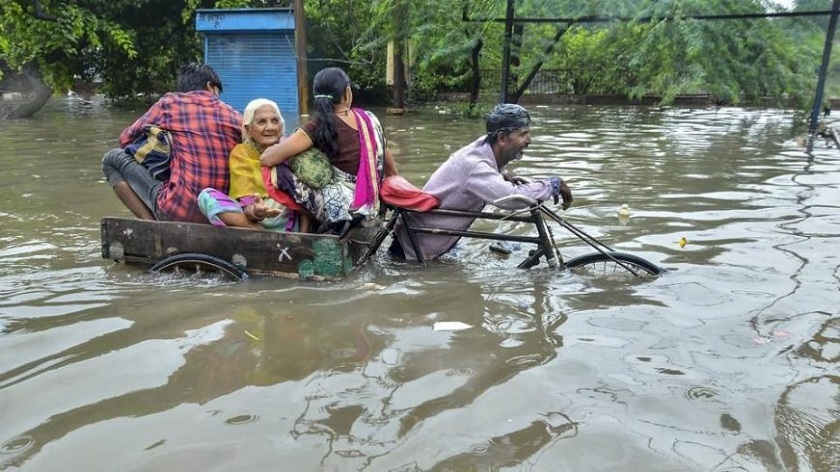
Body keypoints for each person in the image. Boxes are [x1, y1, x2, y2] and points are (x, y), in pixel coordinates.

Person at [391, 103, 573, 262]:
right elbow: (511, 199)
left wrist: (500, 175)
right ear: (502, 138)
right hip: (415, 249)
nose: (529, 141)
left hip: (431, 240)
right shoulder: (475, 164)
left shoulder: (484, 149)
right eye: (523, 134)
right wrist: (552, 185)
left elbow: (486, 174)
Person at [260, 67, 398, 234]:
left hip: (348, 212)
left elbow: (267, 158)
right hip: (375, 208)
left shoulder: (318, 125)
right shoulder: (370, 119)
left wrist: (282, 146)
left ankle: (313, 224)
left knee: (278, 169)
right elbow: (389, 166)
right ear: (347, 94)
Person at [102, 63, 242, 223]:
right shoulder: (234, 115)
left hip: (178, 209)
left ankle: (153, 227)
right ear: (210, 87)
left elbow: (125, 139)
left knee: (112, 158)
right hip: (222, 213)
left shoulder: (170, 103)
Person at [197, 98, 300, 232]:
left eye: (275, 121)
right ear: (248, 129)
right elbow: (246, 202)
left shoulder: (290, 148)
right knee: (206, 196)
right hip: (250, 218)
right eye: (262, 122)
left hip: (285, 215)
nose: (270, 127)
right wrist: (256, 211)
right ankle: (260, 232)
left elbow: (303, 197)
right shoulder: (241, 153)